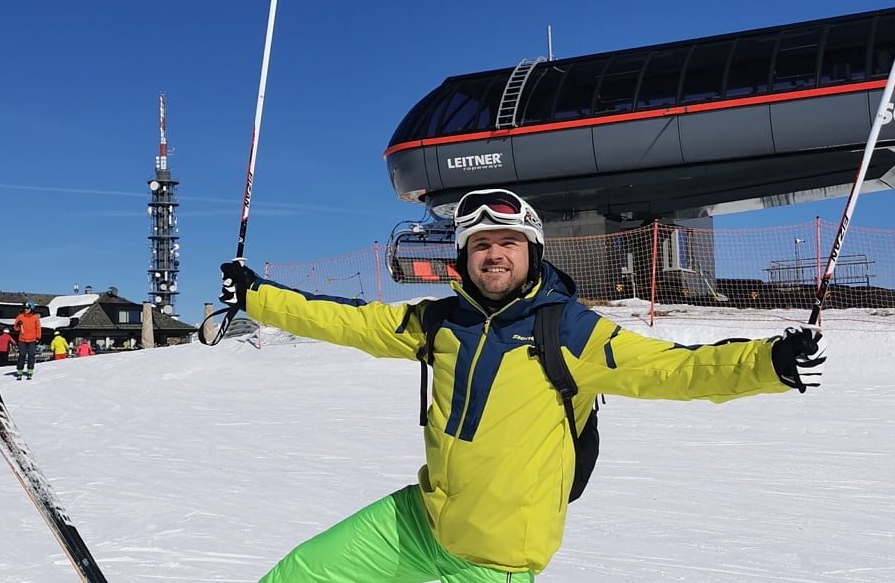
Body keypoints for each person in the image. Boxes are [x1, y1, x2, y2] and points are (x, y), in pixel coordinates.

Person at [217, 188, 826, 583]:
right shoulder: (440, 321)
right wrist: (256, 297)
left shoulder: (568, 329)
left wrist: (767, 362)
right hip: (424, 519)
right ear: (463, 257)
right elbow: (348, 319)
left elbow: (671, 368)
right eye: (480, 245)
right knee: (298, 575)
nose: (494, 255)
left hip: (496, 560)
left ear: (532, 252)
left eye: (508, 243)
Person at [13, 301, 42, 380]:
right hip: (22, 339)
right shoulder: (20, 317)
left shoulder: (35, 318)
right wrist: (18, 325)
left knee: (31, 355)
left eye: (27, 308)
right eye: (25, 308)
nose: (26, 309)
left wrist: (38, 337)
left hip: (32, 340)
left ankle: (30, 370)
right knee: (21, 355)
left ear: (31, 309)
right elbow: (15, 328)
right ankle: (19, 371)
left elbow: (38, 328)